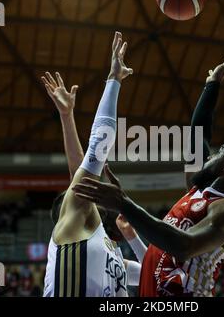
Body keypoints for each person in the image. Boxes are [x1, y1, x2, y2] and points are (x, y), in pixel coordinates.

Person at [74, 58, 224, 297]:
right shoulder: (198, 189)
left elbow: (184, 246)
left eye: (220, 152)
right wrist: (212, 84)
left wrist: (123, 202)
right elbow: (200, 135)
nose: (212, 154)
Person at [42, 32, 142, 297]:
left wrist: (67, 116)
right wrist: (113, 80)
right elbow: (95, 152)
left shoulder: (113, 255)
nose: (82, 189)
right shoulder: (73, 227)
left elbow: (155, 272)